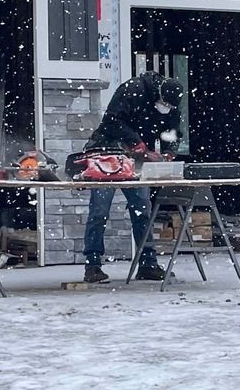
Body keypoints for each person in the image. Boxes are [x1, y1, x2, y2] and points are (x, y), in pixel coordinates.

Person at [77, 73, 183, 284]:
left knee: (142, 209)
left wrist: (170, 151)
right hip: (107, 152)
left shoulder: (171, 101)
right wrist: (137, 143)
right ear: (158, 95)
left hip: (136, 159)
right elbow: (111, 121)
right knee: (100, 210)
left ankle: (148, 263)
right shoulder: (133, 90)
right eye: (163, 104)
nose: (165, 108)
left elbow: (172, 131)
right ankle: (93, 264)